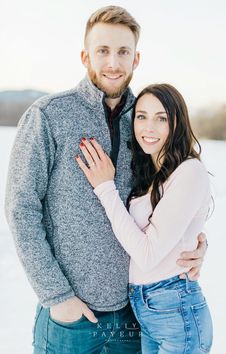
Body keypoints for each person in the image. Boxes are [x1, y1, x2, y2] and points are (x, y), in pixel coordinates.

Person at [5, 6, 207, 354]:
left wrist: (193, 247)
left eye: (123, 52)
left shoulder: (145, 123)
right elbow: (20, 209)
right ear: (85, 57)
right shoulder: (49, 116)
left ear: (136, 59)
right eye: (103, 51)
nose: (113, 62)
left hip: (133, 316)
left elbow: (170, 200)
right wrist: (57, 296)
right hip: (70, 318)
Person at [76, 83, 213, 353]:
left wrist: (105, 188)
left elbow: (148, 254)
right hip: (148, 310)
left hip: (175, 309)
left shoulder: (189, 171)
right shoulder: (152, 173)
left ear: (177, 123)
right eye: (141, 116)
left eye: (161, 118)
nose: (148, 128)